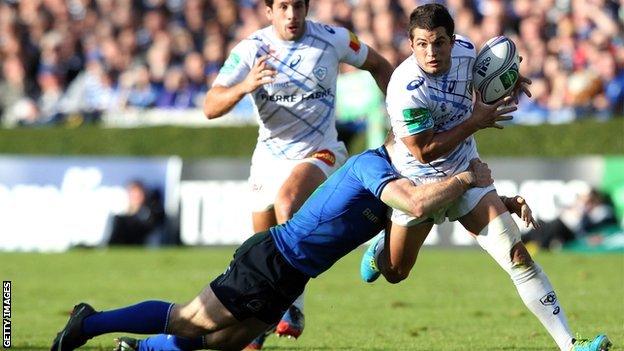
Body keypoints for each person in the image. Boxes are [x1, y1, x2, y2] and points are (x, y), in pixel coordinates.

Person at [51, 138, 532, 351]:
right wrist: (469, 174)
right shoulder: (372, 167)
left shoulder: (404, 186)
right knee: (187, 318)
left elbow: (433, 205)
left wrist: (500, 201)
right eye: (419, 145)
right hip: (272, 258)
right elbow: (418, 201)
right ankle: (89, 323)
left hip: (292, 275)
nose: (426, 154)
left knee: (222, 342)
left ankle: (143, 350)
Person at [359, 4, 610, 351]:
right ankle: (382, 249)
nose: (431, 52)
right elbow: (425, 151)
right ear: (411, 42)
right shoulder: (405, 87)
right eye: (421, 44)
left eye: (439, 42)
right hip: (419, 184)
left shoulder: (466, 53)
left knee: (517, 254)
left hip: (467, 171)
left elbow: (484, 80)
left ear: (452, 39)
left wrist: (508, 78)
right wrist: (475, 123)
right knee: (396, 273)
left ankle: (570, 344)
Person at [202, 0, 393, 347]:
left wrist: (402, 114)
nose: (292, 15)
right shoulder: (250, 50)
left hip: (320, 151)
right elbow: (210, 106)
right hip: (268, 159)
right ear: (269, 10)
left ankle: (295, 307)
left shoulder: (333, 38)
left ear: (307, 8)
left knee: (287, 205)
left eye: (298, 7)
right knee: (260, 259)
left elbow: (379, 64)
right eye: (284, 7)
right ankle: (256, 332)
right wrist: (244, 86)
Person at [107, 180, 165, 246]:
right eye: (133, 194)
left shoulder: (149, 213)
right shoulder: (119, 214)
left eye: (139, 194)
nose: (136, 197)